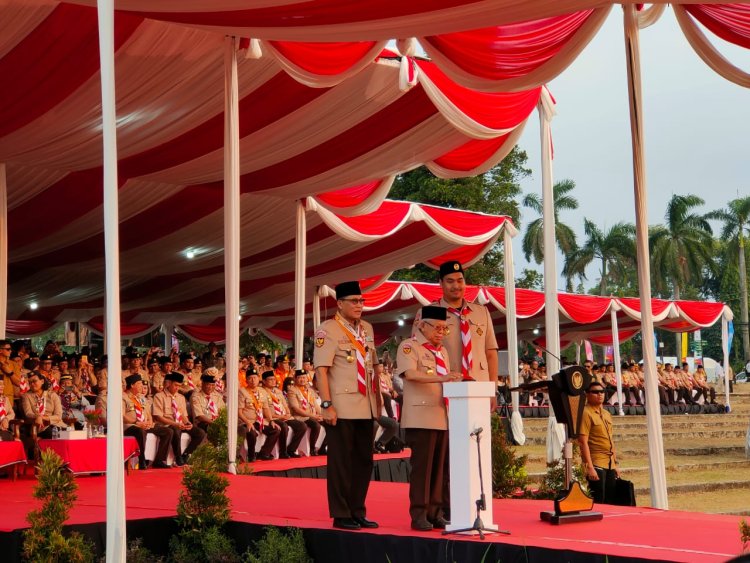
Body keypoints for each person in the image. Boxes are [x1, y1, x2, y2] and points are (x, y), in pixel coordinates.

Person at [314, 280, 381, 530]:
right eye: (353, 301)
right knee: (341, 462)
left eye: (361, 301)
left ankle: (357, 510)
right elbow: (321, 371)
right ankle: (341, 513)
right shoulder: (328, 329)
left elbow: (373, 366)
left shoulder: (367, 328)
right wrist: (327, 404)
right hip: (341, 406)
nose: (359, 305)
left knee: (364, 461)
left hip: (366, 405)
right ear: (339, 303)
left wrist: (379, 400)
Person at [397, 306, 461, 530]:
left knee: (440, 469)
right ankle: (419, 514)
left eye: (445, 328)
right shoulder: (409, 346)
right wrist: (443, 378)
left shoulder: (442, 351)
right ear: (422, 325)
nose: (441, 332)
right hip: (420, 416)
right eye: (437, 327)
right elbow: (411, 374)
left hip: (442, 415)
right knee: (422, 469)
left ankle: (436, 512)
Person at [418, 260, 499, 411]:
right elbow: (421, 352)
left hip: (479, 387)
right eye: (450, 281)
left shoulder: (481, 312)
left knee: (478, 433)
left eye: (460, 280)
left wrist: (493, 389)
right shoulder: (429, 313)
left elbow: (491, 353)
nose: (456, 286)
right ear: (440, 283)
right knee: (449, 433)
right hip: (445, 387)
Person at [578, 380, 620, 504]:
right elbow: (582, 442)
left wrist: (615, 464)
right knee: (598, 501)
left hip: (610, 463)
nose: (600, 394)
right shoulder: (585, 413)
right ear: (587, 394)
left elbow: (611, 440)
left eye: (602, 391)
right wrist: (589, 467)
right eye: (595, 392)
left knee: (610, 500)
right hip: (596, 462)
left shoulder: (606, 414)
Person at [152, 372, 206, 466]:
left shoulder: (181, 397)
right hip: (166, 424)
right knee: (175, 429)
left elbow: (183, 415)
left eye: (179, 386)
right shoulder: (159, 396)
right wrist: (175, 424)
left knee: (200, 433)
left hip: (179, 423)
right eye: (175, 385)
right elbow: (158, 417)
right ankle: (178, 457)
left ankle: (186, 454)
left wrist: (188, 423)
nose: (177, 388)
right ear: (169, 383)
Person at [123, 374, 173, 469]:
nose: (142, 386)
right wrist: (136, 422)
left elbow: (148, 413)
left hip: (144, 424)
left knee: (168, 431)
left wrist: (149, 422)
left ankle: (159, 460)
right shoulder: (123, 397)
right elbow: (122, 416)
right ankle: (141, 460)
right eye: (139, 384)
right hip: (130, 426)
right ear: (132, 385)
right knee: (140, 431)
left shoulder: (141, 398)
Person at [260, 370, 306, 458]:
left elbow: (285, 405)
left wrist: (288, 413)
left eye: (274, 379)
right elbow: (264, 410)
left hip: (284, 416)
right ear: (264, 381)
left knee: (302, 426)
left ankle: (291, 449)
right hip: (273, 418)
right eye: (270, 380)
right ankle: (282, 452)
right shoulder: (262, 392)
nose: (273, 381)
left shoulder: (278, 391)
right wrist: (280, 416)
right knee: (284, 426)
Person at [239, 368, 280, 461]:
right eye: (250, 378)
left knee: (275, 430)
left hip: (260, 421)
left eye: (255, 378)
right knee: (251, 433)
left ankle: (264, 453)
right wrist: (247, 422)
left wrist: (271, 420)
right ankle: (251, 455)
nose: (253, 380)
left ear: (258, 379)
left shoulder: (262, 391)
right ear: (246, 380)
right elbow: (239, 412)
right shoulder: (242, 392)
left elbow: (266, 408)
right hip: (247, 421)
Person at [287, 368, 325, 456]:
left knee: (330, 423)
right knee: (315, 425)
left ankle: (322, 448)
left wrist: (324, 415)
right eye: (300, 377)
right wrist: (313, 416)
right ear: (295, 379)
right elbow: (296, 408)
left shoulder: (310, 390)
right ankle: (312, 449)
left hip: (311, 415)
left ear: (307, 379)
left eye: (304, 377)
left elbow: (316, 406)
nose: (302, 380)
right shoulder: (292, 390)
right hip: (301, 417)